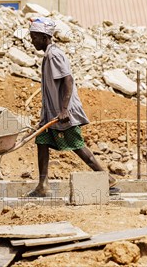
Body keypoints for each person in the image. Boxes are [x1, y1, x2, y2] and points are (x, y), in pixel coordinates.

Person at [26, 17, 119, 197]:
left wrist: (64, 110)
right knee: (42, 142)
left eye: (35, 37)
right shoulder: (48, 55)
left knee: (77, 145)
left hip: (63, 111)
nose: (32, 41)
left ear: (45, 37)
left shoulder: (54, 55)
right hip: (52, 111)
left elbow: (68, 80)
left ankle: (106, 178)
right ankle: (42, 185)